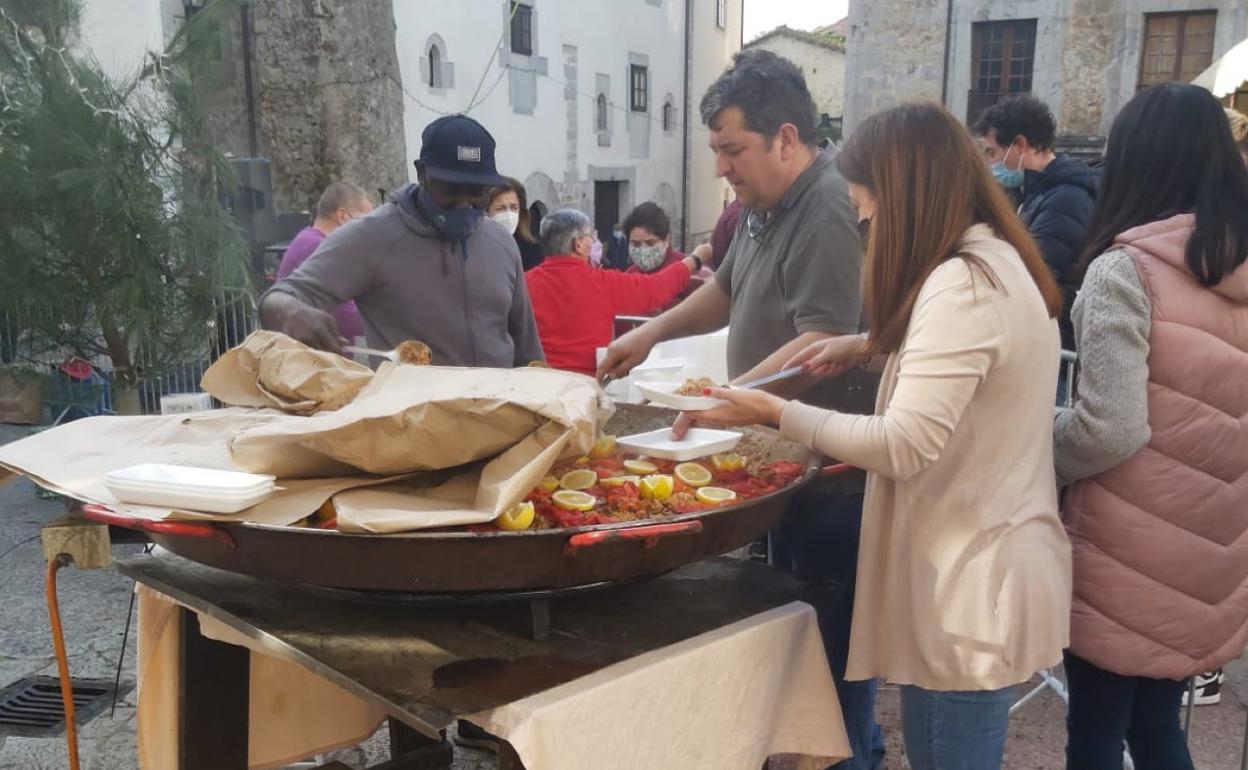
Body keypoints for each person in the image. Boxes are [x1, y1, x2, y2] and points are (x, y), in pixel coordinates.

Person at [684, 101, 1072, 770]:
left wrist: (775, 413)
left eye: (868, 208)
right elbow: (970, 361)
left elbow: (902, 444)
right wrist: (870, 343)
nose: (865, 224)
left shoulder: (962, 284)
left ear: (905, 198)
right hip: (982, 572)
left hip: (968, 592)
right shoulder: (990, 259)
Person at [596, 49, 882, 770]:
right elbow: (724, 290)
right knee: (797, 650)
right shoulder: (760, 206)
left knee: (832, 669)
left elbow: (823, 339)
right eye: (717, 151)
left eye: (732, 150)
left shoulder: (825, 206)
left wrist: (725, 400)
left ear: (786, 138)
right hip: (786, 463)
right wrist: (651, 333)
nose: (722, 167)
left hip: (834, 476)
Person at [1053, 83, 1248, 770]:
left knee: (1097, 733)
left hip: (1125, 543)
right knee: (1159, 723)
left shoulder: (1124, 271)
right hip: (1215, 538)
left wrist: (1035, 439)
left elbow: (1108, 430)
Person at [259, 114, 544, 368]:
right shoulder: (373, 236)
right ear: (422, 173)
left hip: (499, 408)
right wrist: (291, 312)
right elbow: (279, 297)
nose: (463, 203)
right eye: (450, 189)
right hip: (410, 410)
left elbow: (528, 353)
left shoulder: (501, 243)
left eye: (477, 192)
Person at [975, 95, 1099, 350]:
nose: (991, 163)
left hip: (1053, 334)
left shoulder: (1066, 198)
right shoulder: (1037, 192)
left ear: (1020, 145)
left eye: (993, 152)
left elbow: (1036, 270)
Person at [524, 209, 699, 376]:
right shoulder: (602, 283)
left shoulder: (524, 283)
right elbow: (657, 288)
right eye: (591, 236)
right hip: (586, 383)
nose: (594, 241)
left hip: (537, 379)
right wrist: (694, 261)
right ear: (578, 244)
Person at [275, 181, 374, 344]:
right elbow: (344, 316)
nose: (369, 228)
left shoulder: (309, 240)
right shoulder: (318, 248)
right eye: (366, 219)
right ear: (343, 216)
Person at [621, 202, 712, 302]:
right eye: (636, 244)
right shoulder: (629, 275)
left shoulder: (690, 270)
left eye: (650, 243)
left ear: (667, 239)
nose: (643, 250)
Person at [486, 178, 544, 271]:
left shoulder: (531, 248)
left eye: (514, 208)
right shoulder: (478, 246)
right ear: (486, 211)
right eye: (500, 208)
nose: (508, 215)